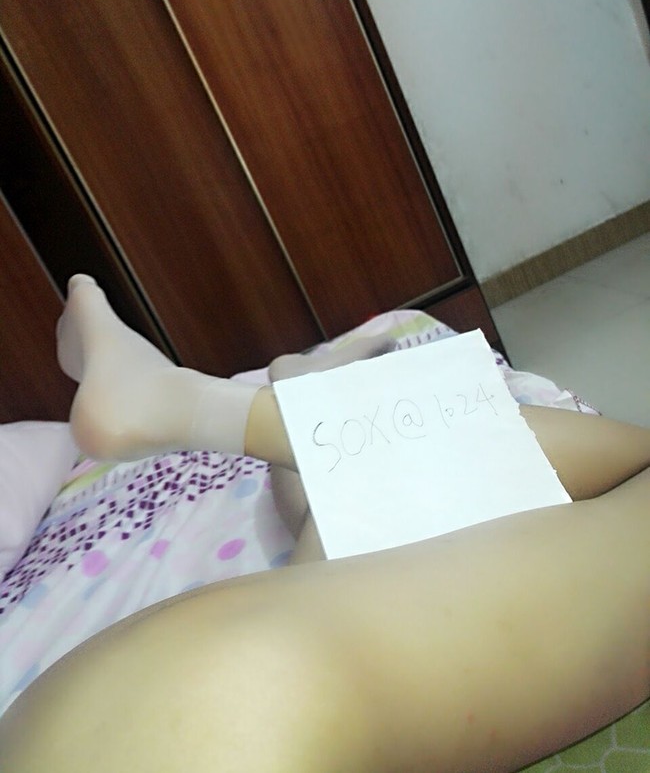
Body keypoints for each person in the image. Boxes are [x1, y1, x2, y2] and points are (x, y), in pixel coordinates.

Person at [0, 274, 648, 773]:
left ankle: (221, 405)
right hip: (118, 720)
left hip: (188, 724)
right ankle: (261, 401)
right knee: (349, 556)